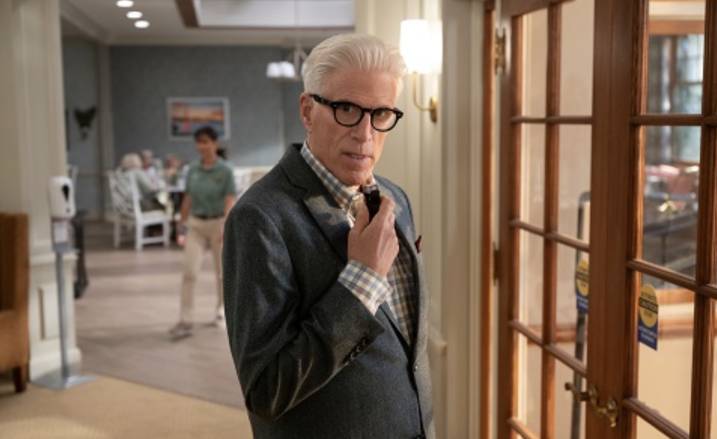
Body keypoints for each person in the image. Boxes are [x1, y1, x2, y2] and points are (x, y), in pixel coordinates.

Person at [223, 34, 434, 438]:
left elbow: (405, 353)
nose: (365, 133)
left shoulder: (397, 199)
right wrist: (364, 279)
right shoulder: (259, 217)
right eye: (347, 109)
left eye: (381, 114)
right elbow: (267, 390)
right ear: (307, 110)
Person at [169, 126, 237, 339]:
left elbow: (230, 198)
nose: (202, 146)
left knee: (222, 273)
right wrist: (180, 223)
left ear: (215, 143)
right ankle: (186, 318)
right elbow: (188, 198)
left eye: (206, 141)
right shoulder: (193, 169)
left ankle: (222, 311)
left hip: (218, 224)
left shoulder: (225, 170)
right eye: (199, 142)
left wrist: (227, 224)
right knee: (189, 272)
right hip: (196, 224)